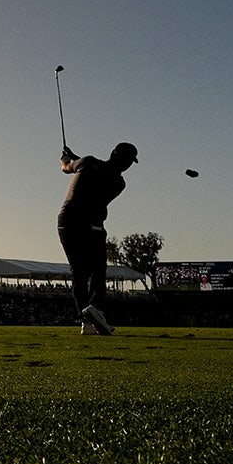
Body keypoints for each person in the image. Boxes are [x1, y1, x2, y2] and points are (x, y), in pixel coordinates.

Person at [58, 142, 138, 336]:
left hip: (66, 221)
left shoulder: (88, 162)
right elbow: (100, 172)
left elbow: (67, 168)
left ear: (112, 152)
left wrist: (66, 159)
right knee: (97, 271)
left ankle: (87, 323)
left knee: (78, 273)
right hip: (91, 224)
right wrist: (76, 158)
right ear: (127, 163)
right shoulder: (119, 183)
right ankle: (95, 309)